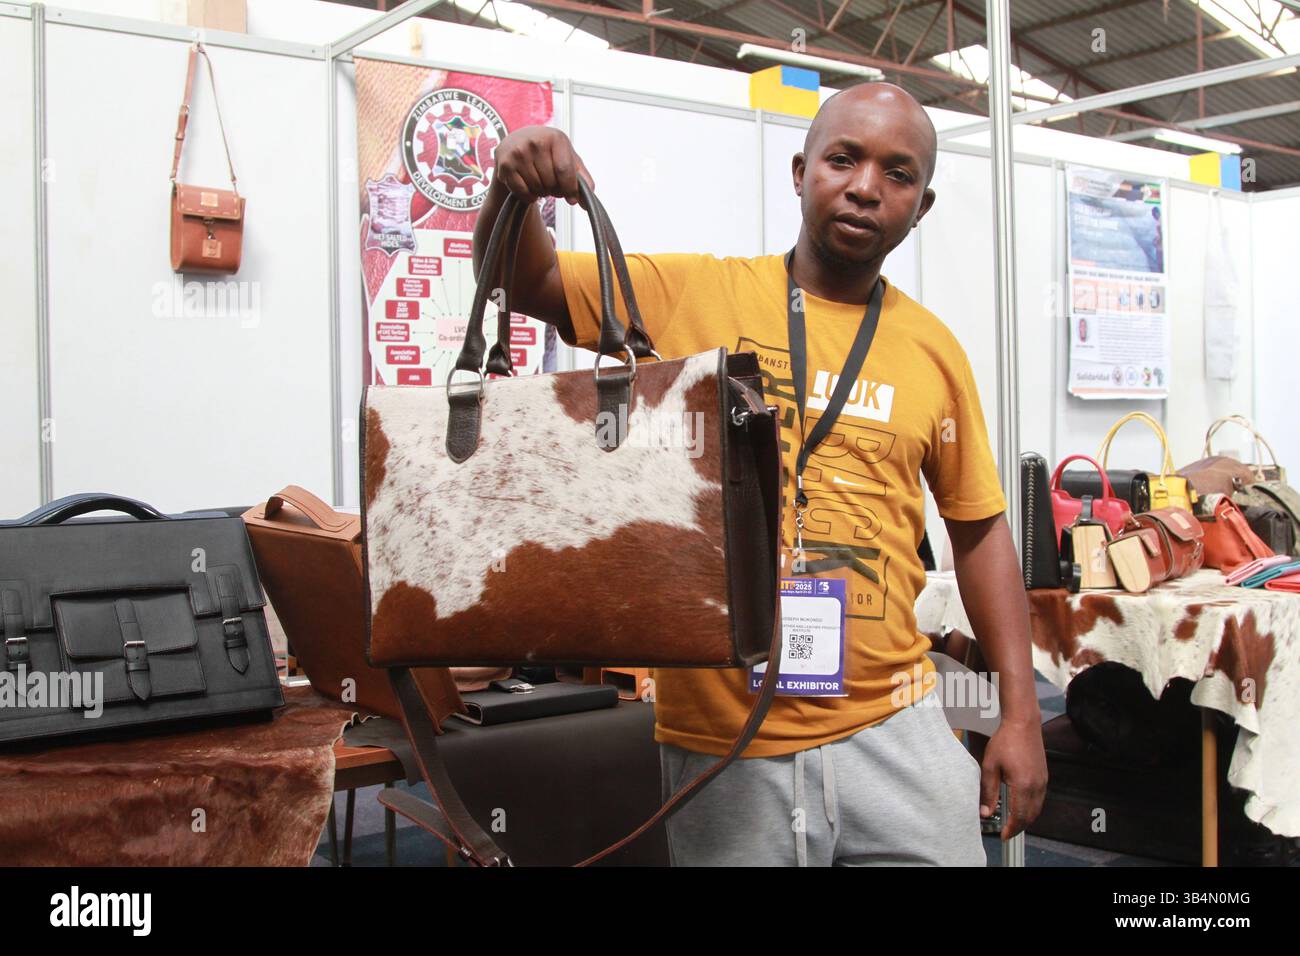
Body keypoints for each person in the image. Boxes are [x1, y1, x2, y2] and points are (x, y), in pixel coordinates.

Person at [472, 82, 1047, 867]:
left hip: (895, 721)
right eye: (843, 159)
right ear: (800, 171)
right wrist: (512, 188)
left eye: (898, 173)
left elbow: (978, 530)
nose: (866, 187)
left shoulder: (933, 350)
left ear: (923, 205)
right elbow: (522, 280)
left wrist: (1019, 714)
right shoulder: (690, 293)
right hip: (726, 742)